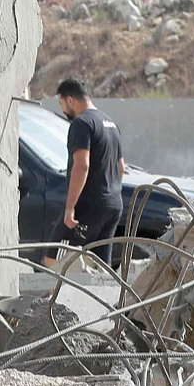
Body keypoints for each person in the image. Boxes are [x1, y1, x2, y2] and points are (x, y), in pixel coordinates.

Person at [52, 77, 126, 267]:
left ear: (70, 100)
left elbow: (82, 165)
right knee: (100, 266)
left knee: (55, 258)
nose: (62, 110)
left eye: (61, 103)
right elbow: (121, 168)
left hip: (87, 205)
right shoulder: (110, 123)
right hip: (113, 204)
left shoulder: (81, 124)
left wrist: (70, 209)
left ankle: (58, 297)